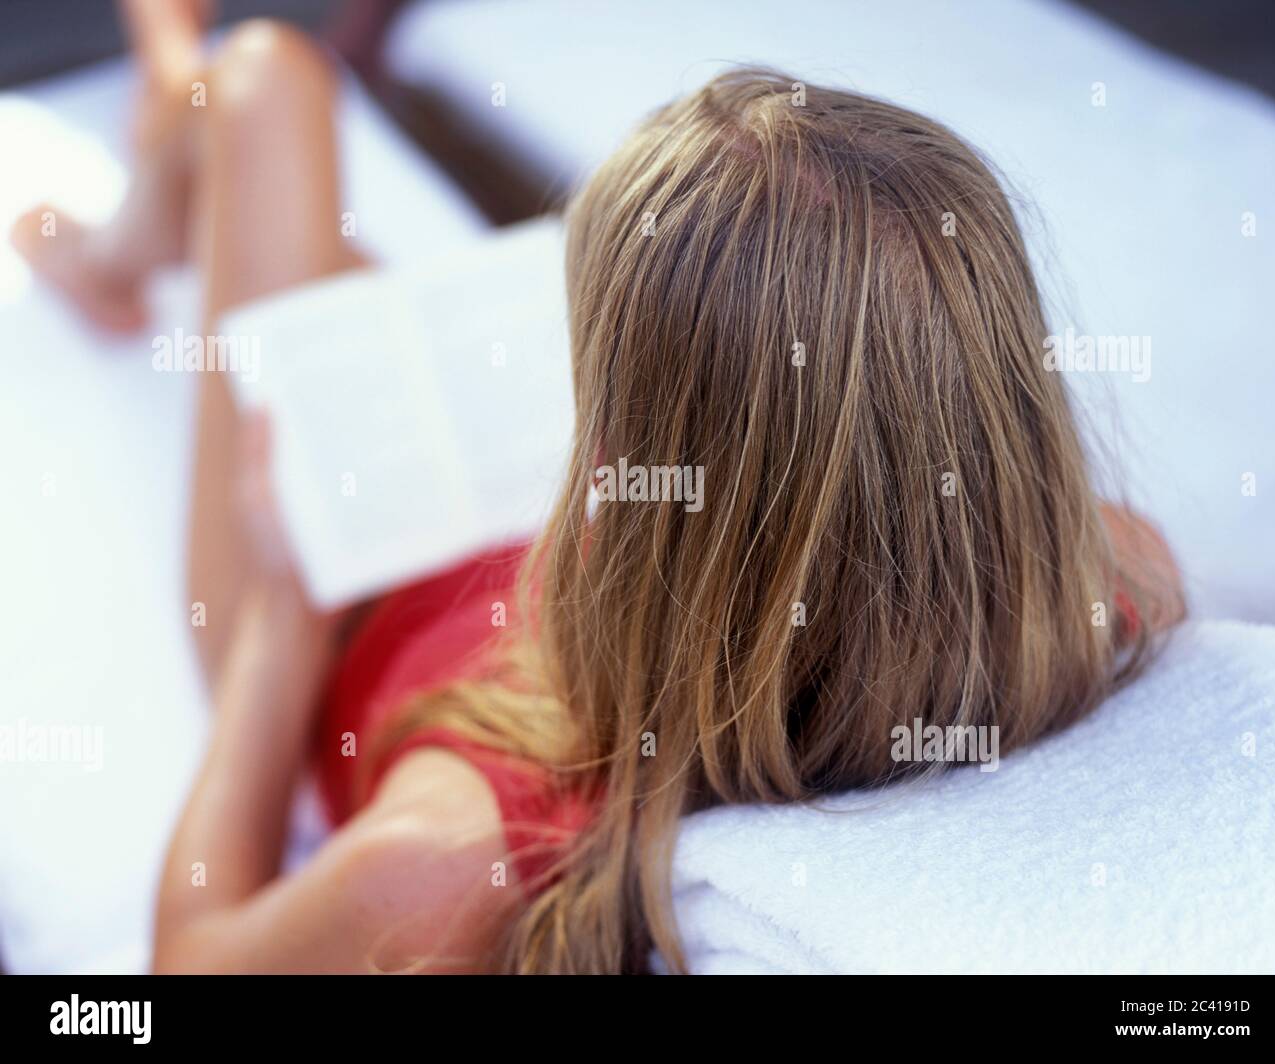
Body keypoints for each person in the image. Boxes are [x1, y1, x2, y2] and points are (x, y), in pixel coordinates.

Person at [12, 4, 1184, 974]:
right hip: (591, 547)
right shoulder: (1109, 575)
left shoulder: (446, 856)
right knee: (314, 227)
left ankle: (124, 213)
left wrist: (273, 623)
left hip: (357, 587)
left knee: (261, 83)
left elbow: (184, 968)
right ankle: (155, 164)